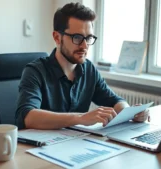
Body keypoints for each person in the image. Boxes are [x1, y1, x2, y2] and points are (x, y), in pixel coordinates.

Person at [15, 2, 150, 130]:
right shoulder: (35, 71)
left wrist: (130, 112)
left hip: (76, 144)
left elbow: (115, 100)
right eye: (77, 38)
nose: (85, 46)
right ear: (57, 38)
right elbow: (28, 116)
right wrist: (80, 118)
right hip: (38, 149)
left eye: (88, 38)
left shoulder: (88, 69)